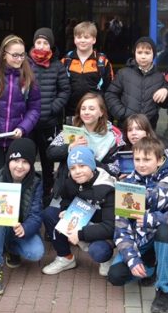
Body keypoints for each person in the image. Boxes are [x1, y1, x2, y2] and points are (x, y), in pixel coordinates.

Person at [107, 137, 168, 313]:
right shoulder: (128, 184)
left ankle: (164, 291)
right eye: (137, 159)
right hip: (141, 240)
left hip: (165, 235)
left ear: (160, 160)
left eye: (147, 159)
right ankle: (152, 266)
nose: (141, 164)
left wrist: (154, 219)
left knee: (165, 231)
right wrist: (132, 260)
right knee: (115, 276)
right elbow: (121, 228)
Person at [43, 93, 125, 242]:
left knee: (98, 231)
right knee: (52, 215)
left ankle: (88, 239)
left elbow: (114, 169)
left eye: (91, 108)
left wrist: (89, 160)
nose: (86, 112)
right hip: (69, 186)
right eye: (83, 108)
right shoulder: (72, 130)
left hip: (97, 191)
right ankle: (65, 250)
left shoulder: (113, 136)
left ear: (101, 112)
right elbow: (50, 152)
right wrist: (70, 147)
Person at [0, 138, 45, 295]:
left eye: (25, 162)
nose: (20, 166)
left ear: (31, 164)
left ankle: (10, 249)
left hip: (18, 228)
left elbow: (36, 215)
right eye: (16, 160)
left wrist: (25, 228)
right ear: (8, 161)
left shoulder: (35, 182)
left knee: (36, 252)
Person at [41, 147, 116, 276]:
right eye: (73, 168)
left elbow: (111, 227)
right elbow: (66, 199)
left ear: (92, 166)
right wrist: (66, 210)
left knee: (99, 251)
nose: (77, 171)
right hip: (80, 219)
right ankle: (65, 258)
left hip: (102, 227)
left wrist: (80, 235)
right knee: (49, 214)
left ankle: (106, 260)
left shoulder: (108, 188)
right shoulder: (71, 181)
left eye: (82, 166)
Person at [0, 34, 42, 171]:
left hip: (18, 138)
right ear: (4, 55)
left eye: (22, 55)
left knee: (17, 175)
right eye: (15, 55)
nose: (19, 59)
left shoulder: (29, 78)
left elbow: (35, 108)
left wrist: (23, 128)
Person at [28, 27, 70, 204]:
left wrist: (53, 108)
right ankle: (30, 194)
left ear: (50, 45)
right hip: (28, 123)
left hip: (49, 122)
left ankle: (47, 194)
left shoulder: (57, 66)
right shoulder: (26, 64)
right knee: (27, 160)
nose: (41, 46)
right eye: (38, 42)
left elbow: (65, 90)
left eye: (45, 43)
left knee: (47, 162)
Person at [105, 37, 168, 129]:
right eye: (139, 52)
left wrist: (166, 91)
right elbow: (110, 94)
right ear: (134, 54)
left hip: (149, 128)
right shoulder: (123, 73)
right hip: (127, 126)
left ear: (154, 55)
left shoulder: (159, 77)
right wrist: (122, 114)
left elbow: (165, 104)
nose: (143, 56)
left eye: (147, 53)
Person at [61, 21, 114, 121]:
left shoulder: (102, 62)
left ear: (94, 40)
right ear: (74, 39)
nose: (82, 40)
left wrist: (108, 117)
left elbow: (110, 91)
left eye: (86, 37)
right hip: (71, 115)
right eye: (79, 37)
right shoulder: (66, 61)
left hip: (96, 115)